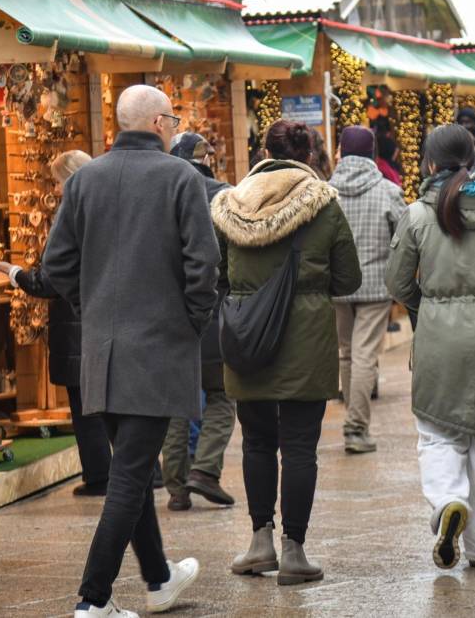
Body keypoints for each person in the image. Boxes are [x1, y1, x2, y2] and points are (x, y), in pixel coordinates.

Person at [44, 85, 220, 618]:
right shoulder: (181, 178)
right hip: (157, 351)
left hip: (104, 351)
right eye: (173, 118)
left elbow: (56, 266)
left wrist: (92, 305)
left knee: (134, 469)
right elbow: (203, 263)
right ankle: (92, 600)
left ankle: (160, 580)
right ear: (161, 123)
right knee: (129, 478)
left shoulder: (86, 179)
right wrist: (190, 320)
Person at [211, 120, 361, 586]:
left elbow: (219, 273)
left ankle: (260, 543)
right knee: (299, 447)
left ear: (262, 152)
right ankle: (294, 551)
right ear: (311, 156)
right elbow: (349, 279)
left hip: (246, 338)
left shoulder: (231, 205)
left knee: (256, 441)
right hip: (307, 341)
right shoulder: (323, 206)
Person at [385, 124, 475, 570]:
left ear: (429, 164)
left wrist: (424, 309)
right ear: (474, 157)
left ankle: (447, 502)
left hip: (438, 338)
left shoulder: (419, 215)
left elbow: (397, 281)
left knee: (438, 432)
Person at [0, 151, 111, 498]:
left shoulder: (70, 220)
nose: (54, 190)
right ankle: (127, 474)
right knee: (104, 405)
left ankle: (100, 476)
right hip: (105, 324)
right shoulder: (108, 213)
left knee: (86, 409)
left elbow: (48, 282)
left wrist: (8, 270)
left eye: (57, 182)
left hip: (76, 326)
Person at [160, 132, 237, 510]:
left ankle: (176, 487)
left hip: (170, 311)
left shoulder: (162, 192)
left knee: (178, 400)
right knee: (223, 395)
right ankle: (204, 470)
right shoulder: (224, 195)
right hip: (217, 307)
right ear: (207, 158)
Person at [328, 125, 407, 454]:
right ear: (372, 151)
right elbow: (404, 237)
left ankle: (352, 420)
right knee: (364, 356)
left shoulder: (324, 191)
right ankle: (356, 427)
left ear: (342, 151)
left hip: (336, 284)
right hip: (375, 285)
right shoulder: (388, 191)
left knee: (346, 353)